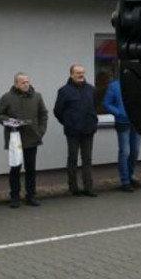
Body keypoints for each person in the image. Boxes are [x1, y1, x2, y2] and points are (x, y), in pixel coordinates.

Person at [0, 72, 48, 208]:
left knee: (31, 169)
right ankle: (14, 197)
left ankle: (31, 196)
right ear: (16, 84)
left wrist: (40, 132)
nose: (26, 84)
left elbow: (43, 114)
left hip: (32, 137)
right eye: (23, 82)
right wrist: (8, 120)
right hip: (15, 138)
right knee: (15, 168)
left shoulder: (37, 97)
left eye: (27, 82)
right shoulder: (7, 97)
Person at [54, 64, 98, 197]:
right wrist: (68, 122)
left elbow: (95, 106)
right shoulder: (64, 91)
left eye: (82, 72)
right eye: (78, 73)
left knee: (87, 159)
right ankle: (73, 187)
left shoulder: (90, 89)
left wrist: (92, 120)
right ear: (71, 74)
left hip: (88, 129)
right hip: (72, 130)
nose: (81, 75)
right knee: (72, 159)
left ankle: (88, 187)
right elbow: (58, 111)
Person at [102, 77, 141, 192]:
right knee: (125, 151)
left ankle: (131, 174)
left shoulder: (137, 84)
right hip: (122, 122)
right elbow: (106, 103)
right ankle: (125, 180)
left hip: (136, 122)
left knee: (135, 150)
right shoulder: (114, 86)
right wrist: (119, 112)